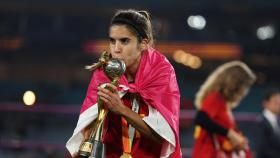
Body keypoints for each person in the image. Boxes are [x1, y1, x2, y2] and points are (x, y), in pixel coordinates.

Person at [66, 9, 181, 158]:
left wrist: (121, 109)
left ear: (144, 43)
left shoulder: (161, 72)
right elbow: (87, 127)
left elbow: (163, 136)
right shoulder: (104, 73)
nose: (116, 49)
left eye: (124, 41)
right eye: (112, 41)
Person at [192, 61, 256, 158]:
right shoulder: (216, 97)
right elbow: (200, 118)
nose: (244, 92)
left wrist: (236, 140)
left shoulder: (223, 102)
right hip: (208, 154)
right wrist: (231, 135)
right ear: (235, 84)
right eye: (244, 86)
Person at [257, 88, 280, 158]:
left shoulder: (276, 121)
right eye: (276, 102)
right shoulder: (261, 122)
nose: (279, 105)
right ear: (266, 103)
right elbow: (263, 149)